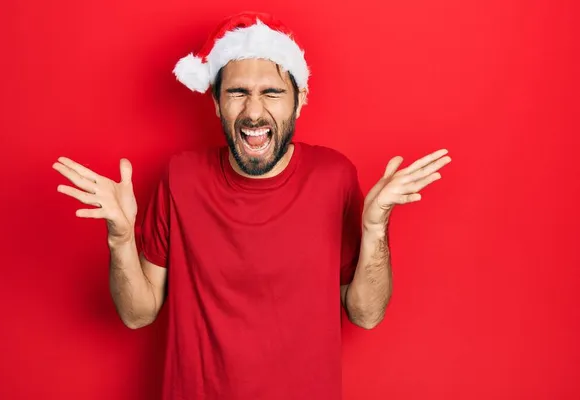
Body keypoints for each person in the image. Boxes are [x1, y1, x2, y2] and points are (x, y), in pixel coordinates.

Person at [52, 11, 452, 400]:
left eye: (272, 93)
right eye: (238, 93)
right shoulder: (180, 178)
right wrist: (120, 239)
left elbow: (366, 314)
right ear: (216, 103)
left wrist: (376, 230)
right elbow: (137, 314)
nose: (254, 112)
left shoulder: (335, 178)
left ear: (299, 100)